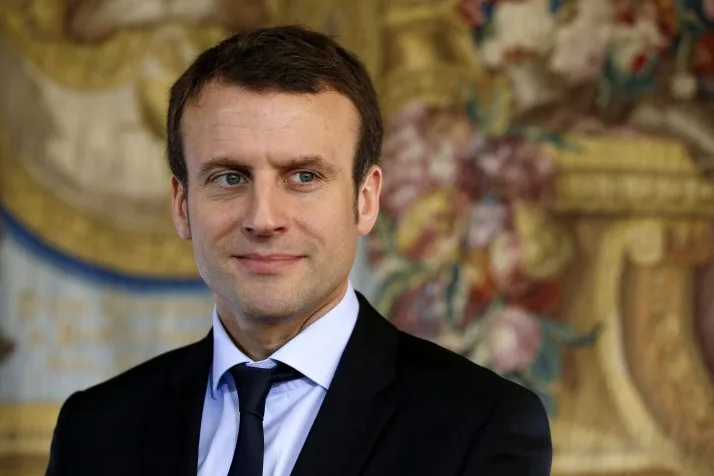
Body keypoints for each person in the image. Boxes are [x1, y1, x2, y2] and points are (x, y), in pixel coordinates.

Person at [45, 25, 552, 476]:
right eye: (229, 177)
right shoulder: (94, 430)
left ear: (365, 200)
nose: (264, 218)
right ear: (182, 205)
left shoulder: (481, 426)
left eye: (304, 176)